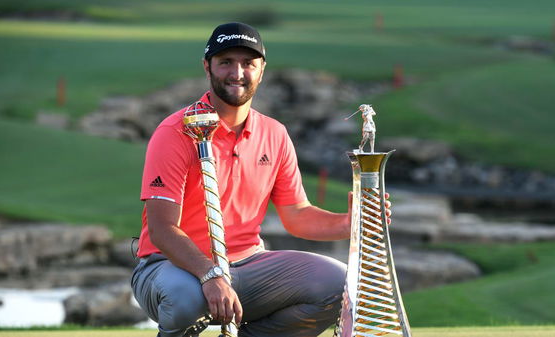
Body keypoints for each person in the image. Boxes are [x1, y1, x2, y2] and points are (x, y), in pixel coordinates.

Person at [131, 22, 391, 337]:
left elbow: (297, 216)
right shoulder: (175, 132)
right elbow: (161, 230)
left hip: (248, 264)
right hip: (170, 267)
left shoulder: (274, 134)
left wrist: (351, 224)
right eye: (226, 62)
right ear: (207, 66)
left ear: (261, 70)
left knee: (340, 286)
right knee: (188, 298)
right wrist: (211, 275)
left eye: (248, 63)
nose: (237, 72)